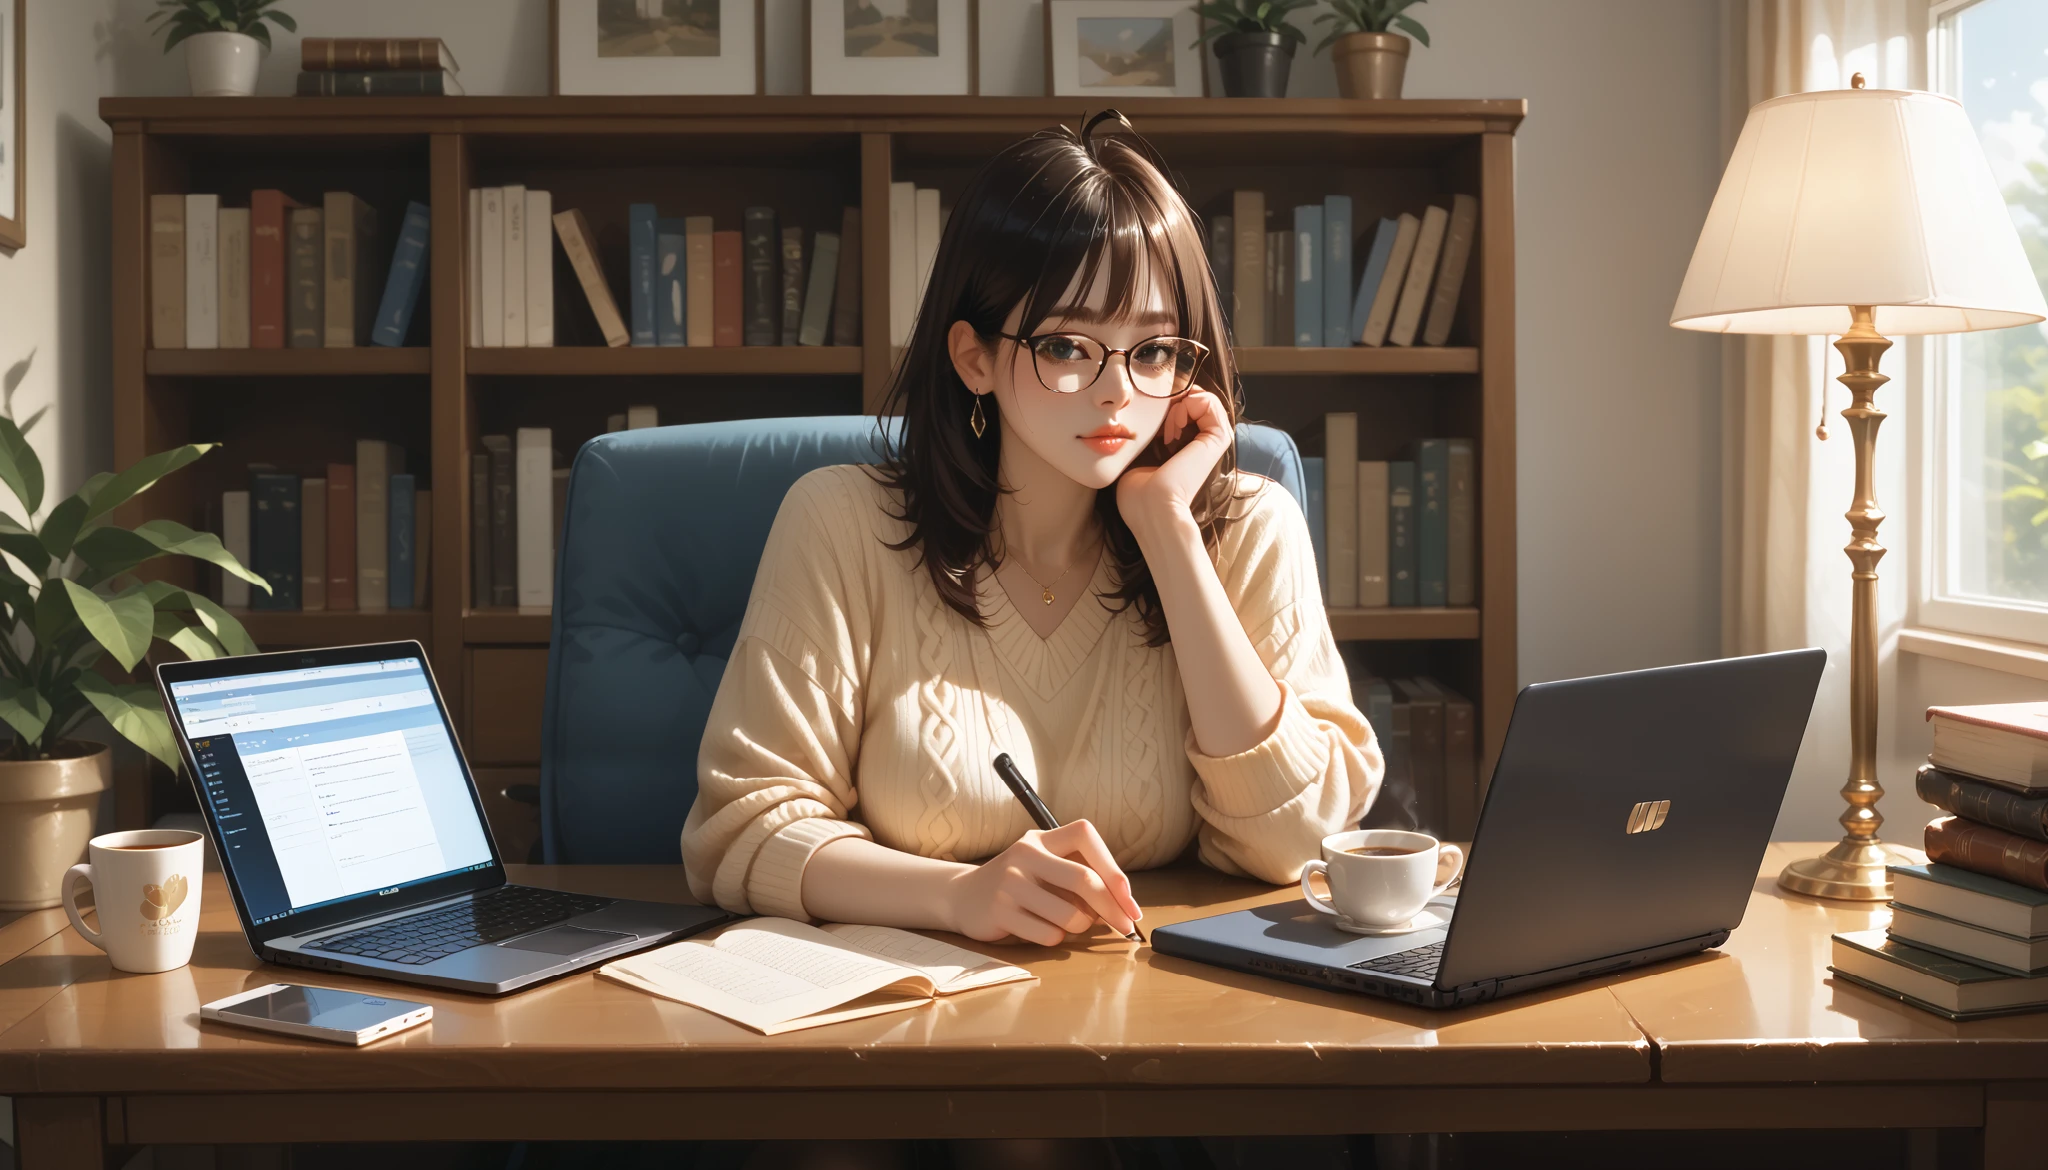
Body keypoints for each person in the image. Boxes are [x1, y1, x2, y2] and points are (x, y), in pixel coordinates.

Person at [683, 109, 1384, 1170]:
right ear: (971, 354)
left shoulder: (1240, 527)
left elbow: (1292, 843)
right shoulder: (839, 523)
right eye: (1066, 347)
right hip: (894, 1019)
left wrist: (1165, 535)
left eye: (1155, 351)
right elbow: (742, 828)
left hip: (1151, 1026)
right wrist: (963, 894)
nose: (1118, 393)